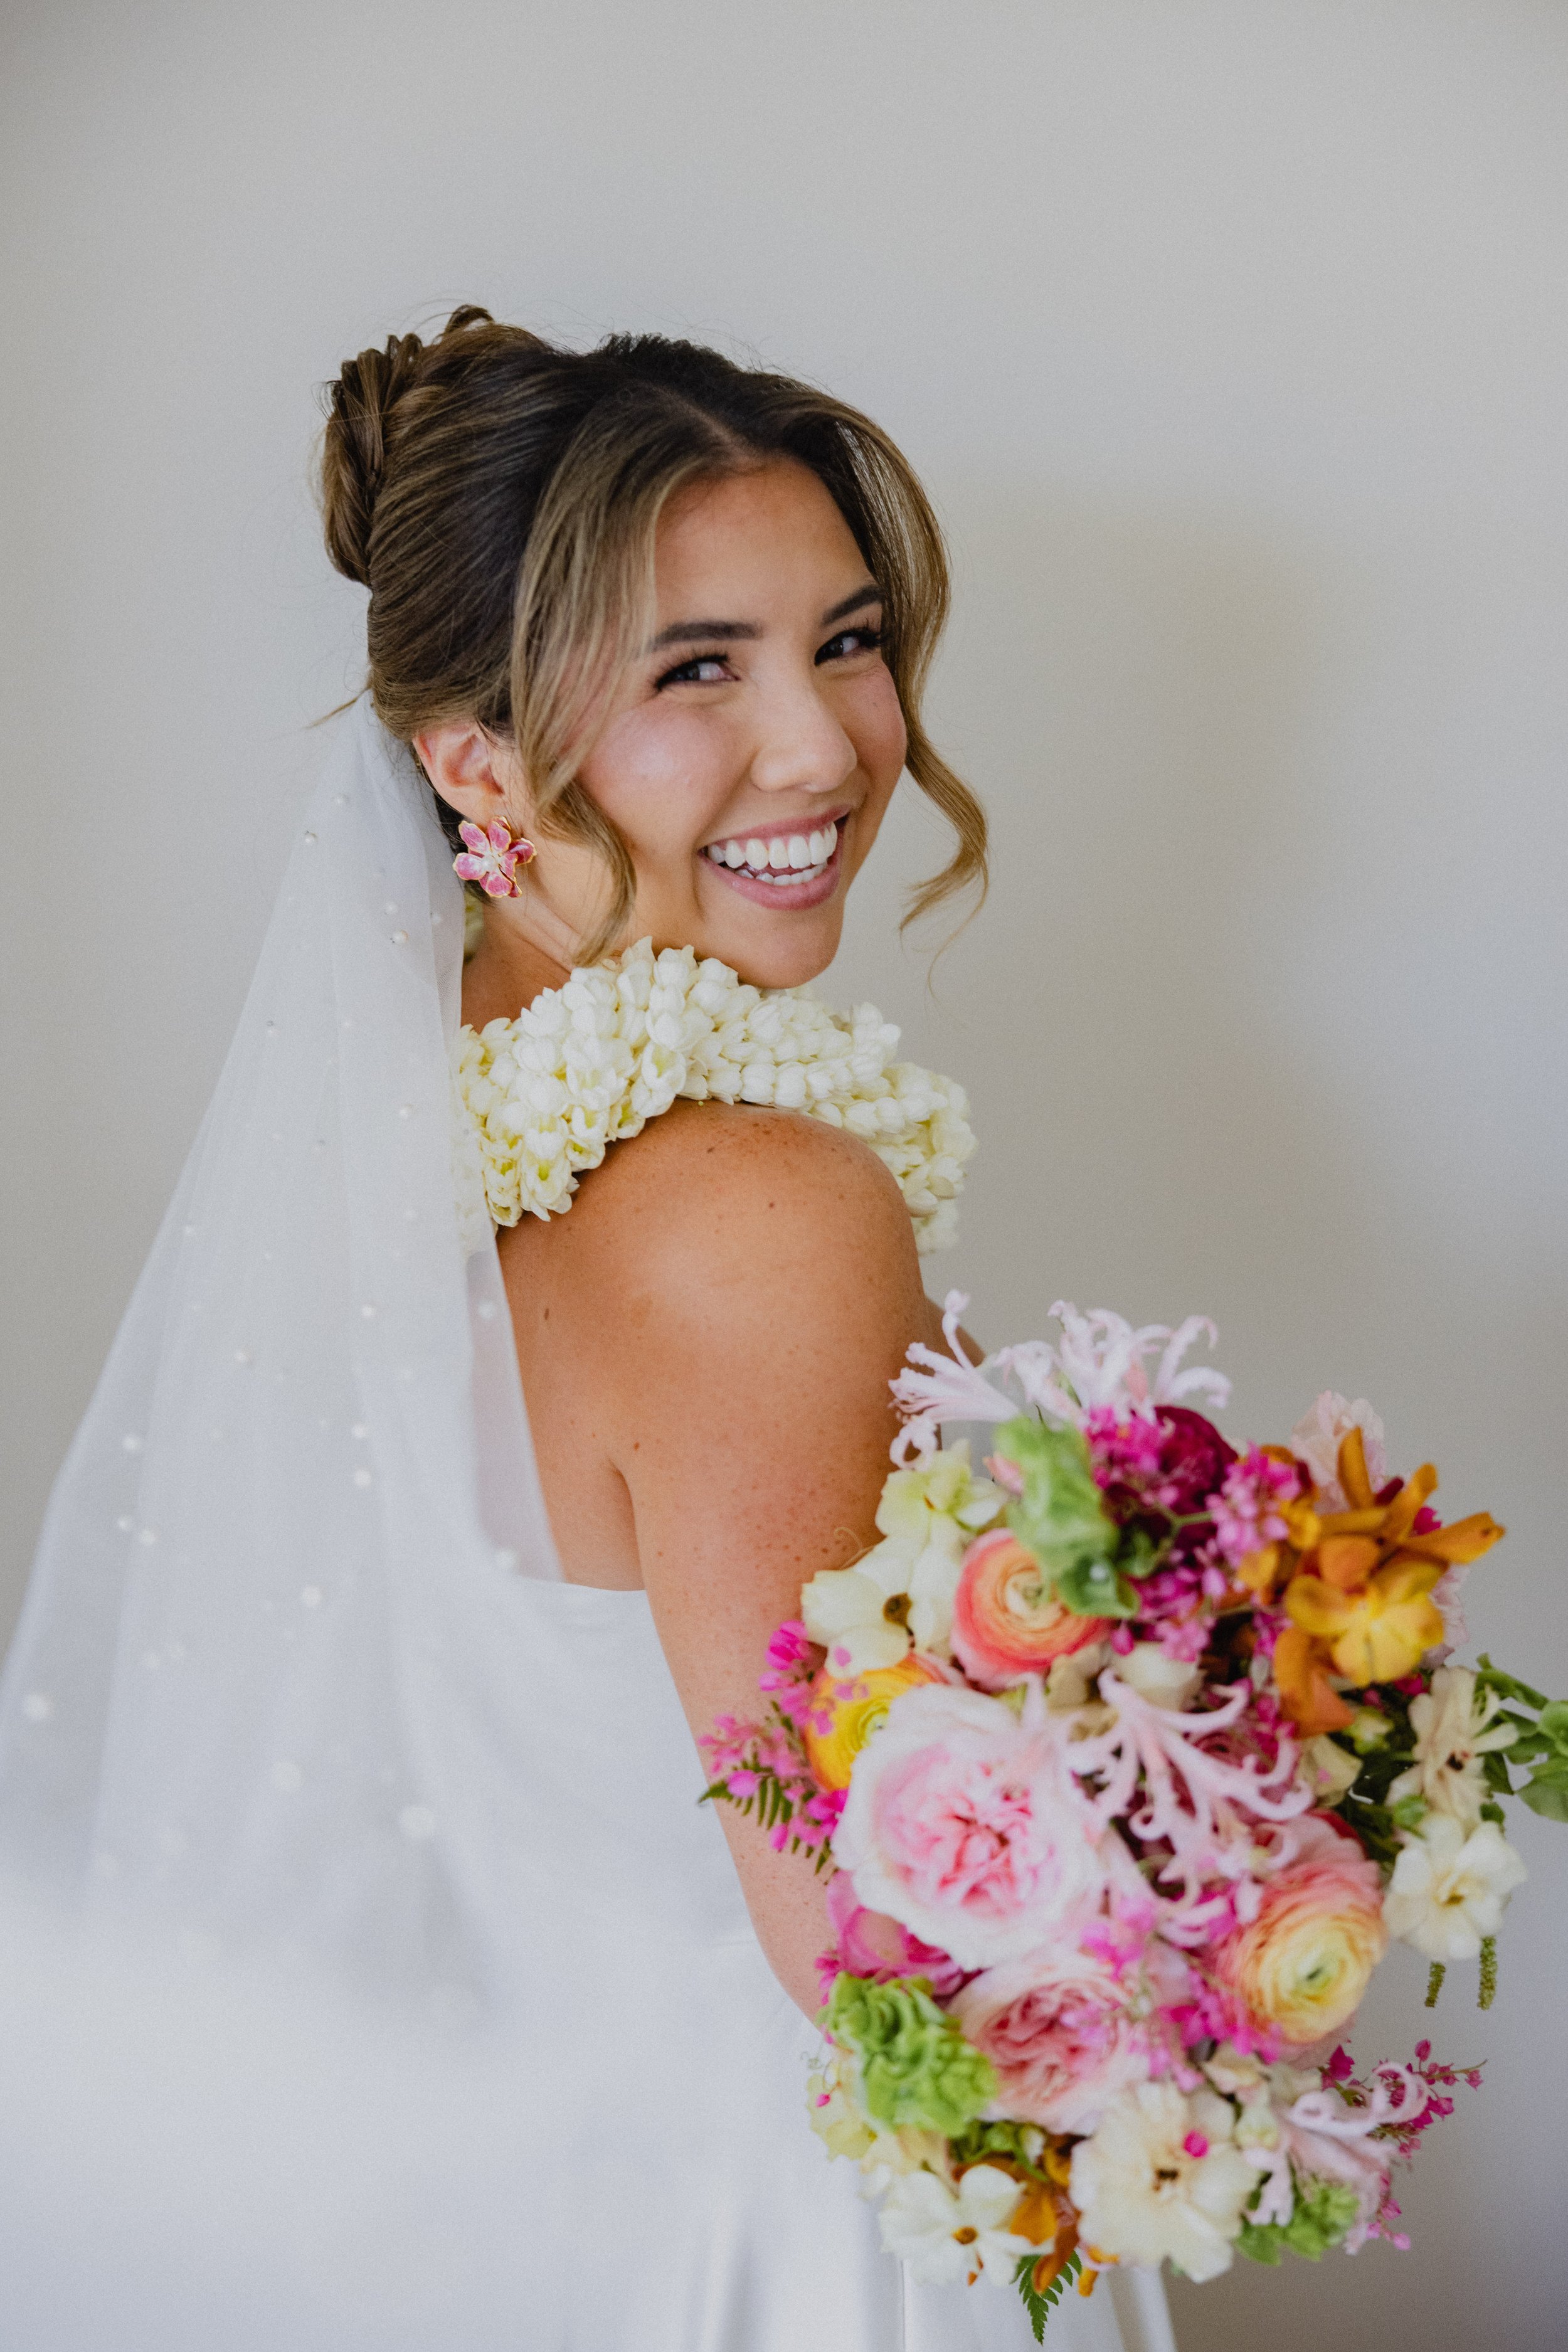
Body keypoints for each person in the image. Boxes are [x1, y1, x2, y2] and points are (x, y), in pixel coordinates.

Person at [0, 310, 1167, 2351]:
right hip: (771, 2236)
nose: (819, 746)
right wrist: (1253, 1767)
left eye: (847, 636)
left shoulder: (401, 1140)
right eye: (693, 667)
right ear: (473, 762)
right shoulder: (756, 1208)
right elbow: (879, 1957)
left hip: (487, 2237)